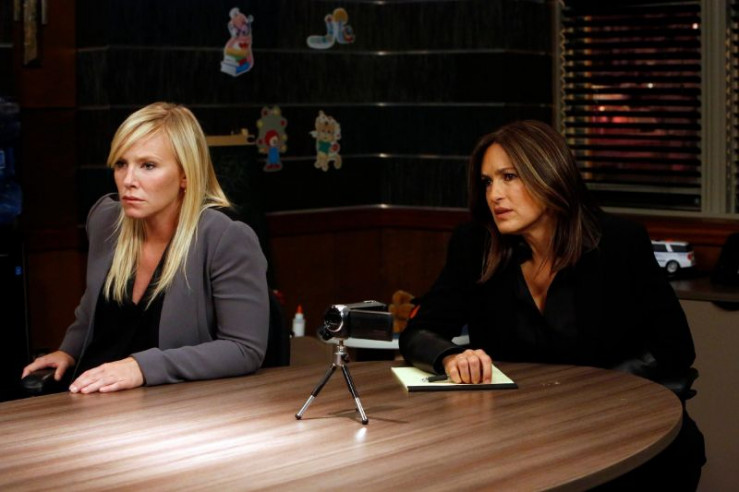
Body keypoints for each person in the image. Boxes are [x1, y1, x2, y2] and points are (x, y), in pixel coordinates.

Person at [399, 120, 704, 489]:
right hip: (520, 438)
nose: (494, 194)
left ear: (549, 174)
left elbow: (674, 347)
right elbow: (418, 332)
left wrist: (588, 391)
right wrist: (450, 357)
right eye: (487, 182)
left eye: (509, 177)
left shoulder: (618, 242)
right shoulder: (475, 245)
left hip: (618, 429)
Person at [22, 102, 269, 394]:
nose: (128, 181)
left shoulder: (225, 237)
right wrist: (69, 351)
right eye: (121, 164)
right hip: (90, 397)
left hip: (174, 406)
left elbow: (243, 349)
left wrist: (141, 367)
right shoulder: (105, 219)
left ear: (185, 175)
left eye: (148, 166)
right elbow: (93, 309)